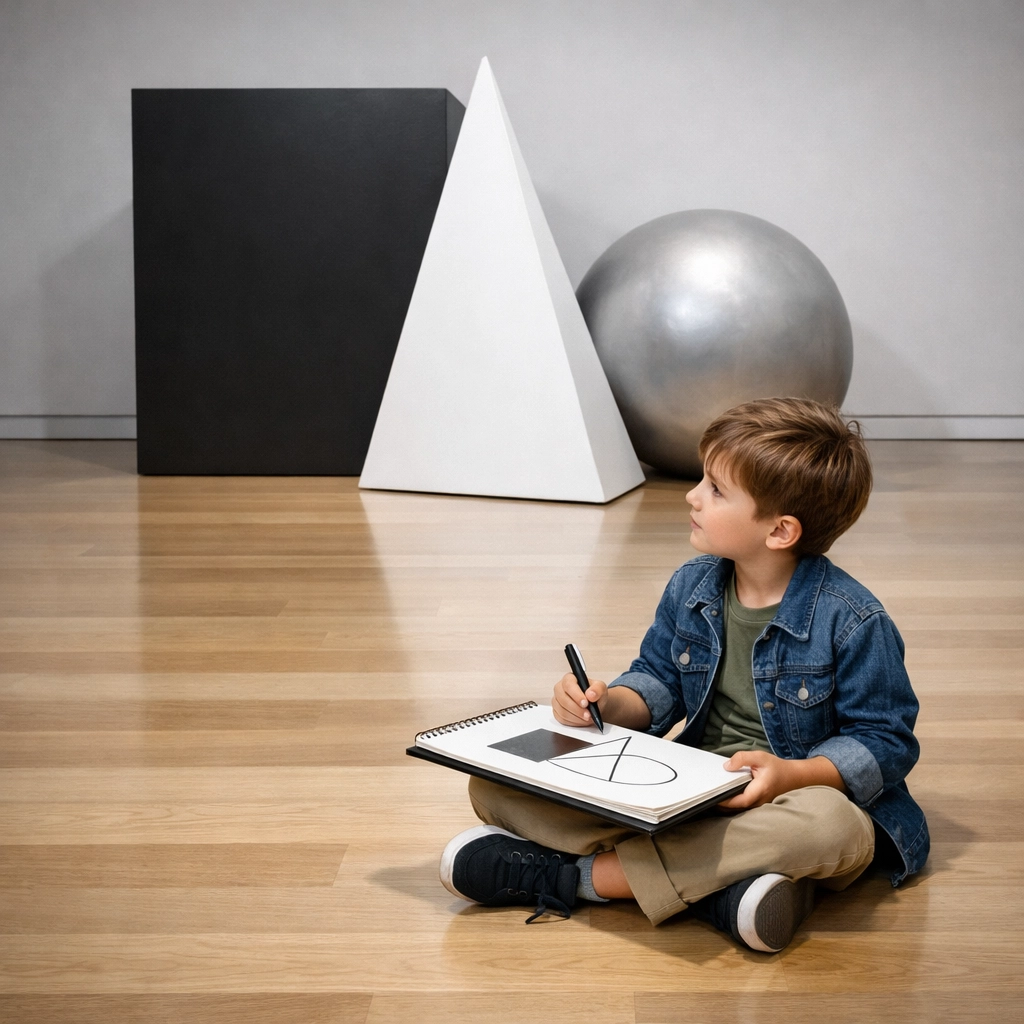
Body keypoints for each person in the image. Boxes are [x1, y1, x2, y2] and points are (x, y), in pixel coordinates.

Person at [438, 397, 929, 953]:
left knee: (830, 831)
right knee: (493, 787)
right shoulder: (692, 586)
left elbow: (885, 743)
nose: (693, 495)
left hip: (795, 798)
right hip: (690, 791)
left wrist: (791, 776)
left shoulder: (855, 619)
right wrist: (604, 702)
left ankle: (576, 879)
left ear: (780, 531)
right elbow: (659, 679)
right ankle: (727, 888)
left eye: (716, 489)